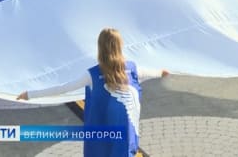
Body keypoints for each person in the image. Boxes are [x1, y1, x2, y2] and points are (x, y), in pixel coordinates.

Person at [17, 28, 168, 157]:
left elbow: (63, 89)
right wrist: (164, 71)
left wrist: (29, 94)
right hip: (125, 140)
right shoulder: (132, 69)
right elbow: (154, 72)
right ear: (119, 46)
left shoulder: (93, 74)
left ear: (100, 48)